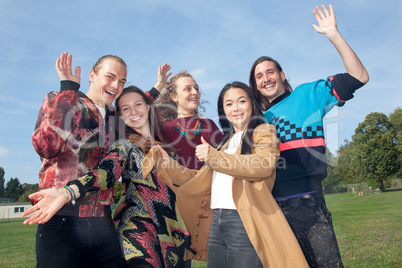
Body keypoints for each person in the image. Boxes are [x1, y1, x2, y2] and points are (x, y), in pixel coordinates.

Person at [248, 5, 369, 267]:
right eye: (259, 76)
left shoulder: (308, 94)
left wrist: (333, 34)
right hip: (272, 212)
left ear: (281, 75)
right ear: (255, 86)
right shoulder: (256, 121)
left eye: (270, 72)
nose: (266, 78)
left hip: (310, 206)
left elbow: (359, 76)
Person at [23, 86, 191, 268]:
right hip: (138, 233)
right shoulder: (124, 145)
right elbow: (105, 173)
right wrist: (67, 192)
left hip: (173, 235)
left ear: (148, 106)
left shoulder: (167, 147)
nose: (133, 111)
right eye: (126, 108)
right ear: (121, 116)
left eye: (138, 105)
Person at [151, 81, 309, 267]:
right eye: (229, 104)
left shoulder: (263, 131)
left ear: (252, 103)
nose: (236, 108)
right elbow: (198, 179)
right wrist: (168, 164)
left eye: (241, 101)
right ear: (223, 110)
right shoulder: (224, 143)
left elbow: (263, 164)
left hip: (242, 220)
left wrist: (213, 156)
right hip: (215, 221)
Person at [23, 52, 127, 268]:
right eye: (110, 77)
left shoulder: (116, 120)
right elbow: (45, 146)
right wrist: (67, 91)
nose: (116, 85)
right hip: (61, 216)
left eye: (122, 81)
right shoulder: (62, 99)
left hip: (101, 219)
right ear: (92, 75)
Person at [155, 71, 223, 170]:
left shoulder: (209, 125)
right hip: (175, 185)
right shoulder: (164, 129)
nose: (195, 92)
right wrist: (158, 86)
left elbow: (226, 158)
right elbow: (139, 111)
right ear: (174, 97)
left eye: (196, 88)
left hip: (208, 184)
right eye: (188, 89)